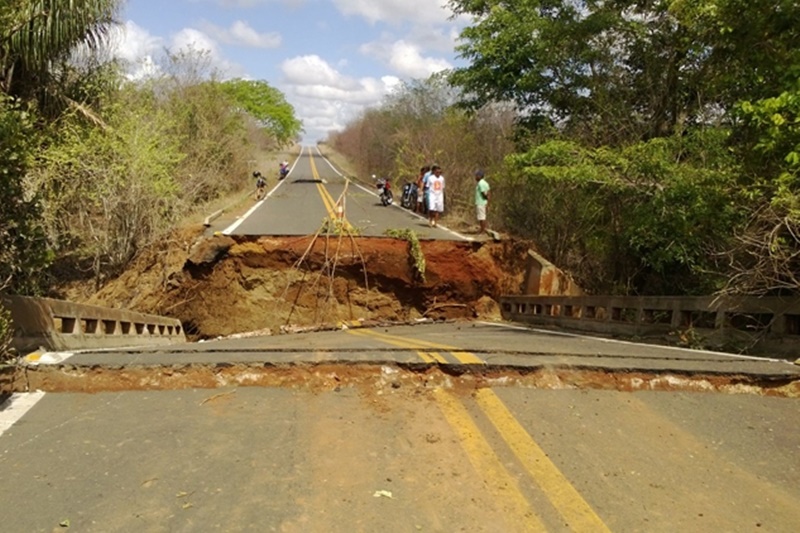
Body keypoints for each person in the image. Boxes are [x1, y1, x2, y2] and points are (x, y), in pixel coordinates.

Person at [474, 169, 491, 234]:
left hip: (481, 202)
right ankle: (482, 229)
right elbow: (489, 192)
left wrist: (486, 198)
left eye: (476, 175)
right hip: (483, 202)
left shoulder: (481, 183)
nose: (475, 177)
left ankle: (483, 230)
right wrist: (488, 202)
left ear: (479, 176)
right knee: (482, 216)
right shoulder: (485, 183)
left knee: (482, 217)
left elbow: (484, 193)